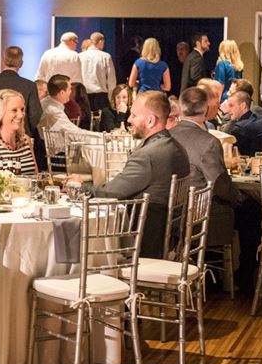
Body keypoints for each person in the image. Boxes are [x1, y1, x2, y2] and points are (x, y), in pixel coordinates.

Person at [79, 91, 190, 259]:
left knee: (82, 245)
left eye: (134, 115)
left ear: (150, 120)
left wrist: (81, 188)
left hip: (143, 243)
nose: (129, 119)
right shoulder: (178, 147)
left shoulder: (147, 155)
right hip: (169, 237)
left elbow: (112, 192)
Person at [0, 46, 43, 138]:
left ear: (3, 61)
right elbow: (36, 114)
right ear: (21, 64)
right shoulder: (29, 86)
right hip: (19, 136)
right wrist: (24, 127)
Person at [221, 91, 262, 155]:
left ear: (243, 106)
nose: (228, 110)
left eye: (231, 105)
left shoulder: (239, 129)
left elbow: (230, 155)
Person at [79, 32, 116, 111]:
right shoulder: (106, 56)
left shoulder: (80, 56)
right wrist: (111, 98)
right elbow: (111, 80)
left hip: (83, 95)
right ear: (100, 41)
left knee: (85, 118)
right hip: (100, 97)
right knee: (102, 118)